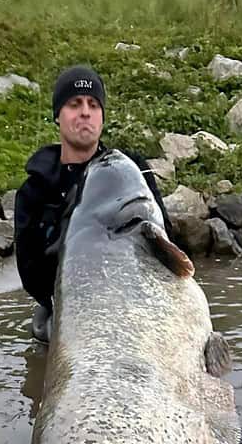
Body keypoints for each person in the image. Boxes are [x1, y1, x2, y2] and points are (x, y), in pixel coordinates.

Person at [14, 65, 172, 343]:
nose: (85, 112)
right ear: (57, 116)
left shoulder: (133, 170)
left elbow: (166, 238)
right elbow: (30, 274)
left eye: (93, 105)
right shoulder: (33, 190)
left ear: (102, 116)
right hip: (70, 306)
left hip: (135, 300)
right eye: (74, 104)